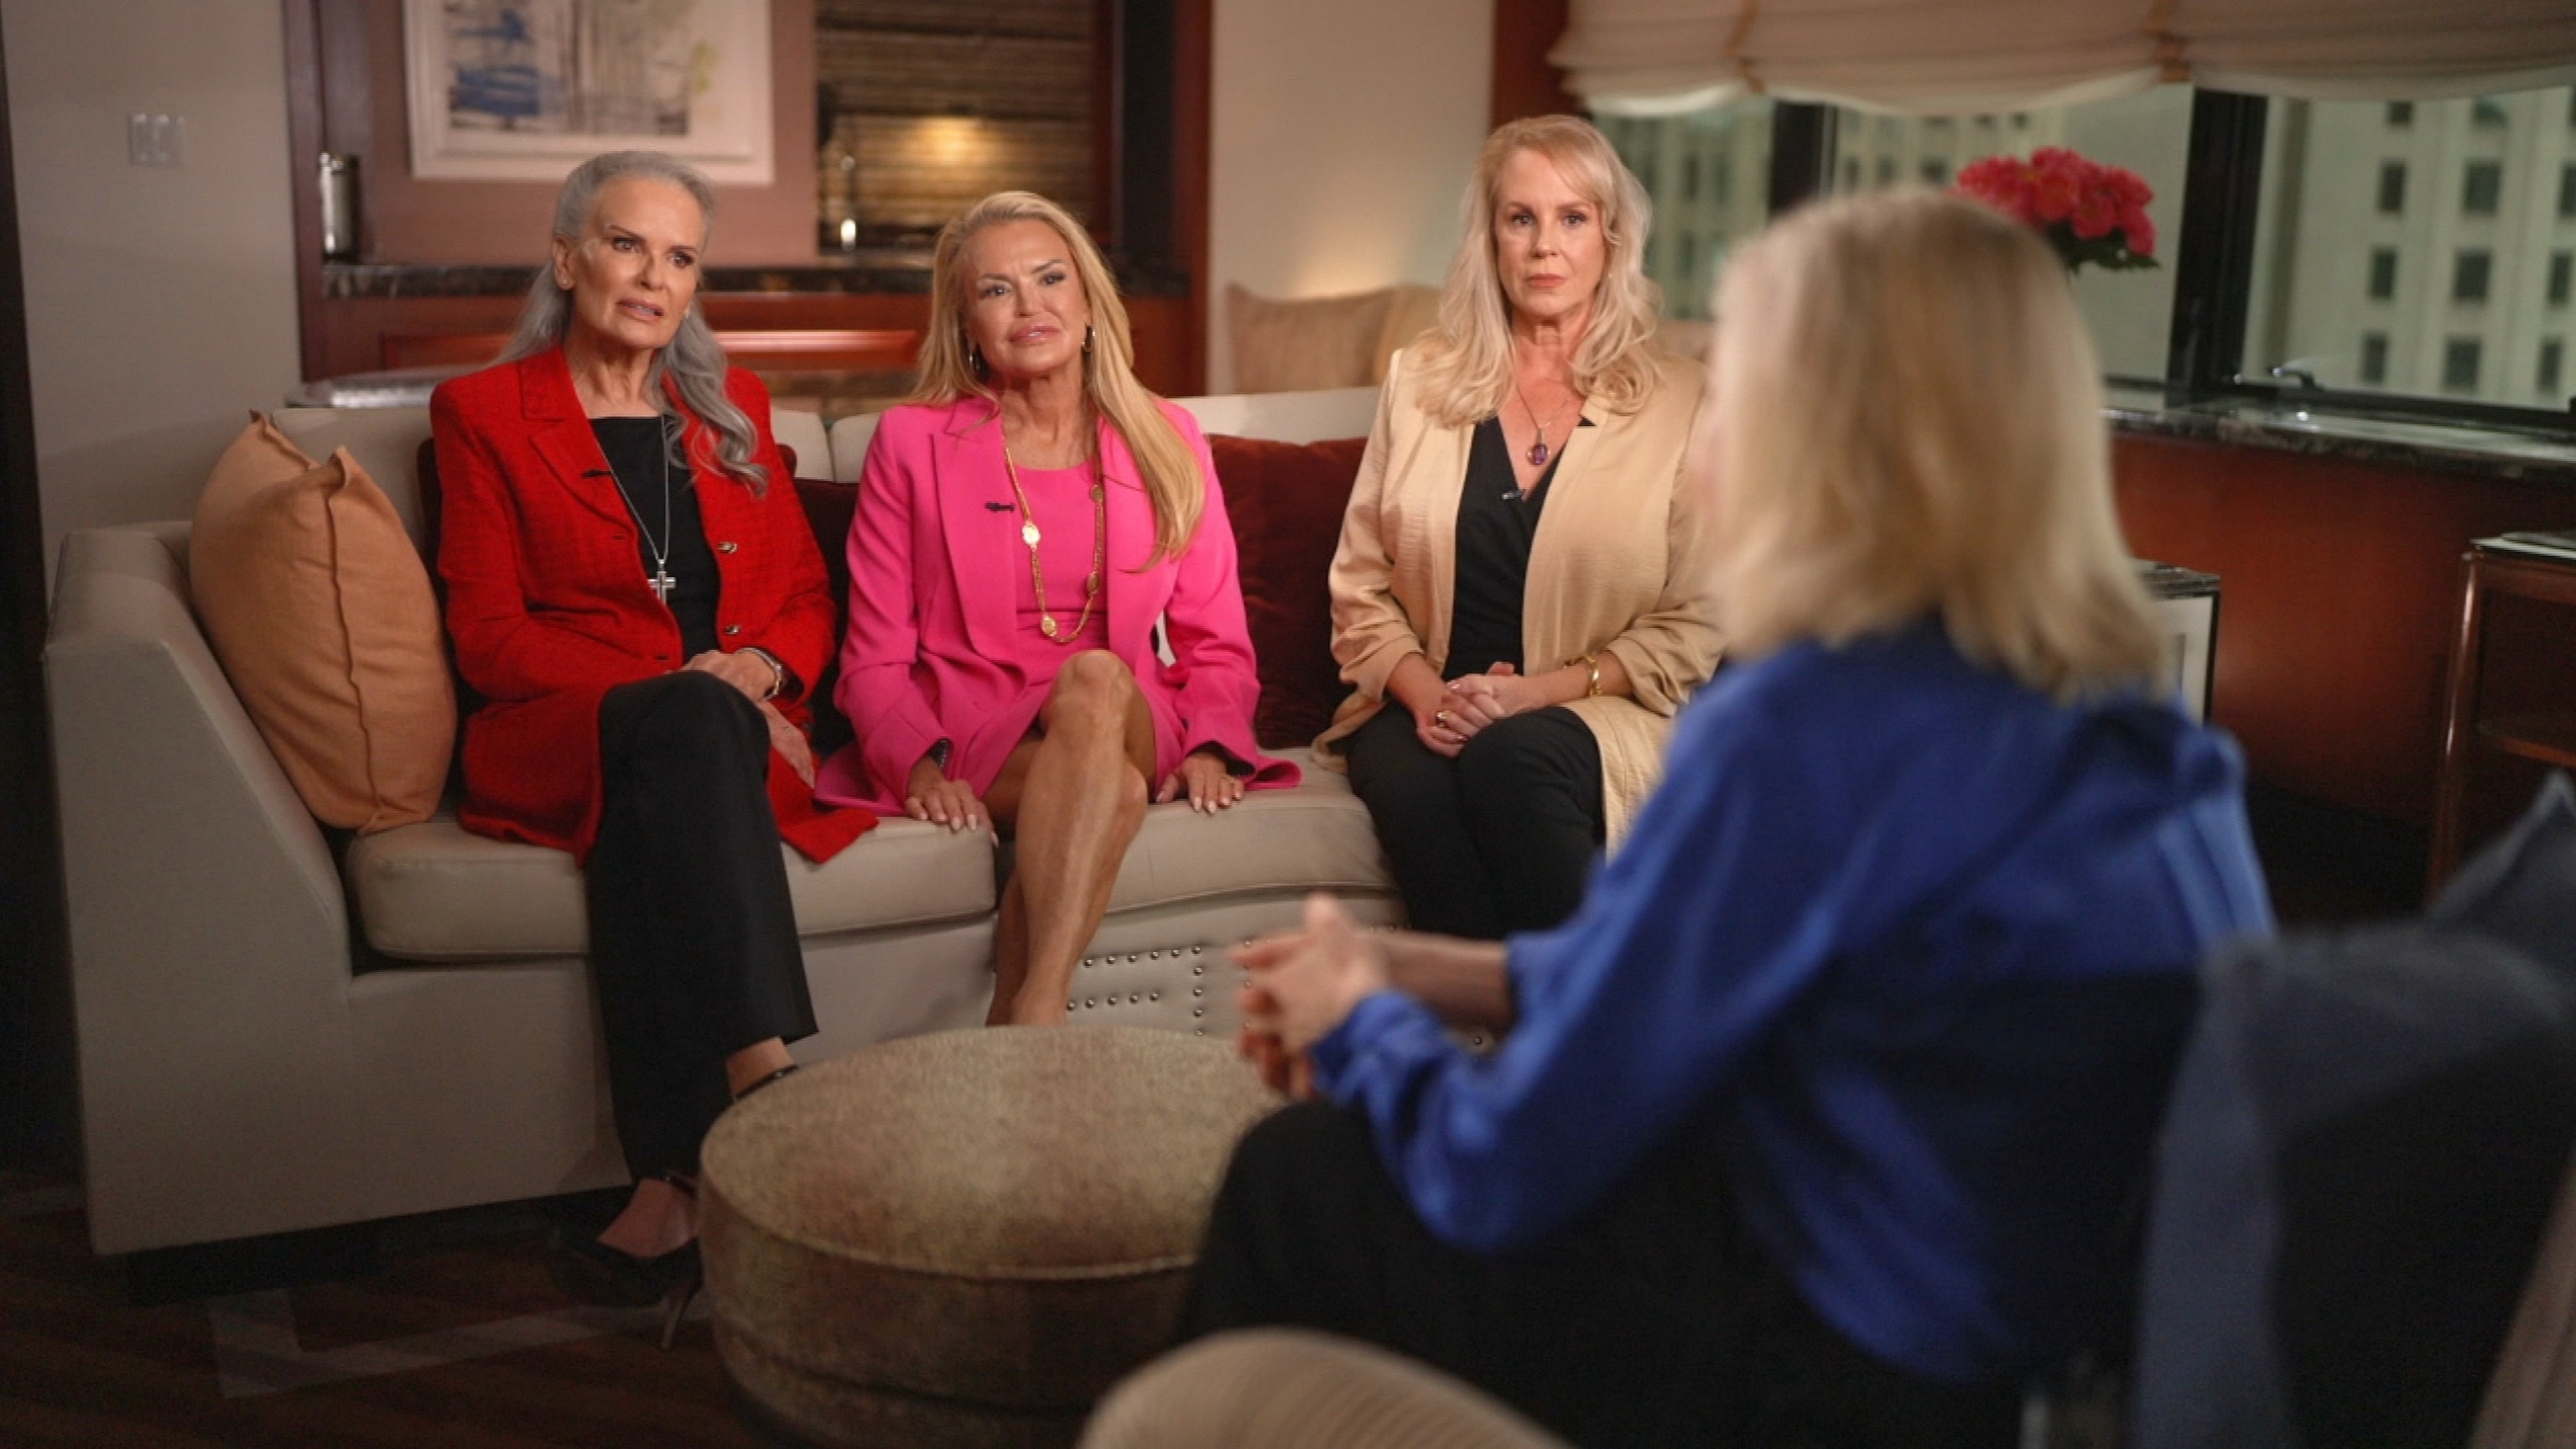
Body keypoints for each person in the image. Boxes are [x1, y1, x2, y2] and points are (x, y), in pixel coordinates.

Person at [1183, 191, 2277, 1448]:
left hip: (1826, 1377)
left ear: (1826, 437)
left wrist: (1362, 1028)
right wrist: (1413, 968)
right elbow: (1709, 990)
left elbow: (1508, 1162)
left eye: (1734, 389)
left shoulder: (1806, 724)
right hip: (2032, 1370)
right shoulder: (2153, 743)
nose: (1701, 434)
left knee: (1303, 1178)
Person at [433, 151, 870, 1321]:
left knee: (658, 809)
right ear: (569, 254)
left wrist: (763, 672)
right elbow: (488, 636)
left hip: (702, 752)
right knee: (675, 725)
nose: (653, 276)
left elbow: (808, 603)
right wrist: (695, 688)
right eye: (627, 244)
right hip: (562, 727)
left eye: (680, 257)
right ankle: (770, 1086)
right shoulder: (482, 413)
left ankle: (674, 1185)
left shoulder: (734, 415)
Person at [814, 191, 1296, 1026]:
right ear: (966, 322)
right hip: (978, 730)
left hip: (1130, 707)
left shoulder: (1167, 436)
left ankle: (1031, 1013)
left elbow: (1216, 637)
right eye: (996, 290)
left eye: (1049, 279)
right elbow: (874, 654)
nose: (1029, 306)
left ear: (1087, 301)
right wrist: (917, 765)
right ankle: (1029, 1014)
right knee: (1104, 783)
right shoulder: (912, 443)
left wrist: (1215, 744)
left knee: (1099, 683)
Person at [1317, 115, 1722, 941]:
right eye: (1521, 218)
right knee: (1409, 781)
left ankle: (1585, 1027)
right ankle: (1504, 1043)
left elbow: (1700, 620)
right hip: (1432, 693)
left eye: (1572, 218)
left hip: (1596, 705)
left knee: (1512, 757)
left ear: (1610, 239)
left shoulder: (1687, 399)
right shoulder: (1420, 379)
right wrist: (1430, 698)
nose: (1546, 245)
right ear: (1491, 239)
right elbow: (1358, 586)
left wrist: (1535, 693)